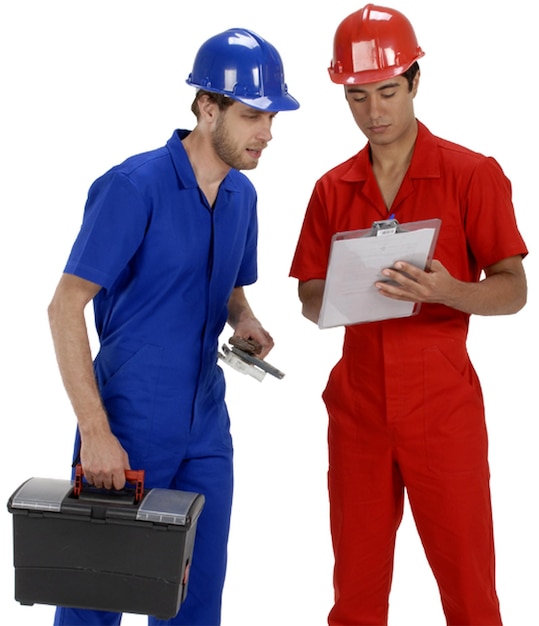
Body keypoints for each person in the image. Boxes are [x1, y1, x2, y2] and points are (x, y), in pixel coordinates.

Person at [48, 28, 299, 626]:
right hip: (129, 420)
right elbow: (64, 306)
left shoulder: (242, 196)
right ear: (206, 106)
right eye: (252, 115)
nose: (267, 133)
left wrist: (246, 320)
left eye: (273, 117)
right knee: (96, 598)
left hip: (206, 424)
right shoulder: (134, 187)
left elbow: (232, 289)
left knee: (195, 597)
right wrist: (96, 432)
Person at [289, 5, 527, 626]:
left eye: (388, 92)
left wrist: (451, 291)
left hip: (442, 408)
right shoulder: (331, 188)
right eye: (358, 97)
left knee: (470, 593)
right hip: (359, 408)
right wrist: (340, 294)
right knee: (356, 597)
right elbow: (309, 295)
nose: (375, 112)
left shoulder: (472, 174)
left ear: (416, 82)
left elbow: (514, 289)